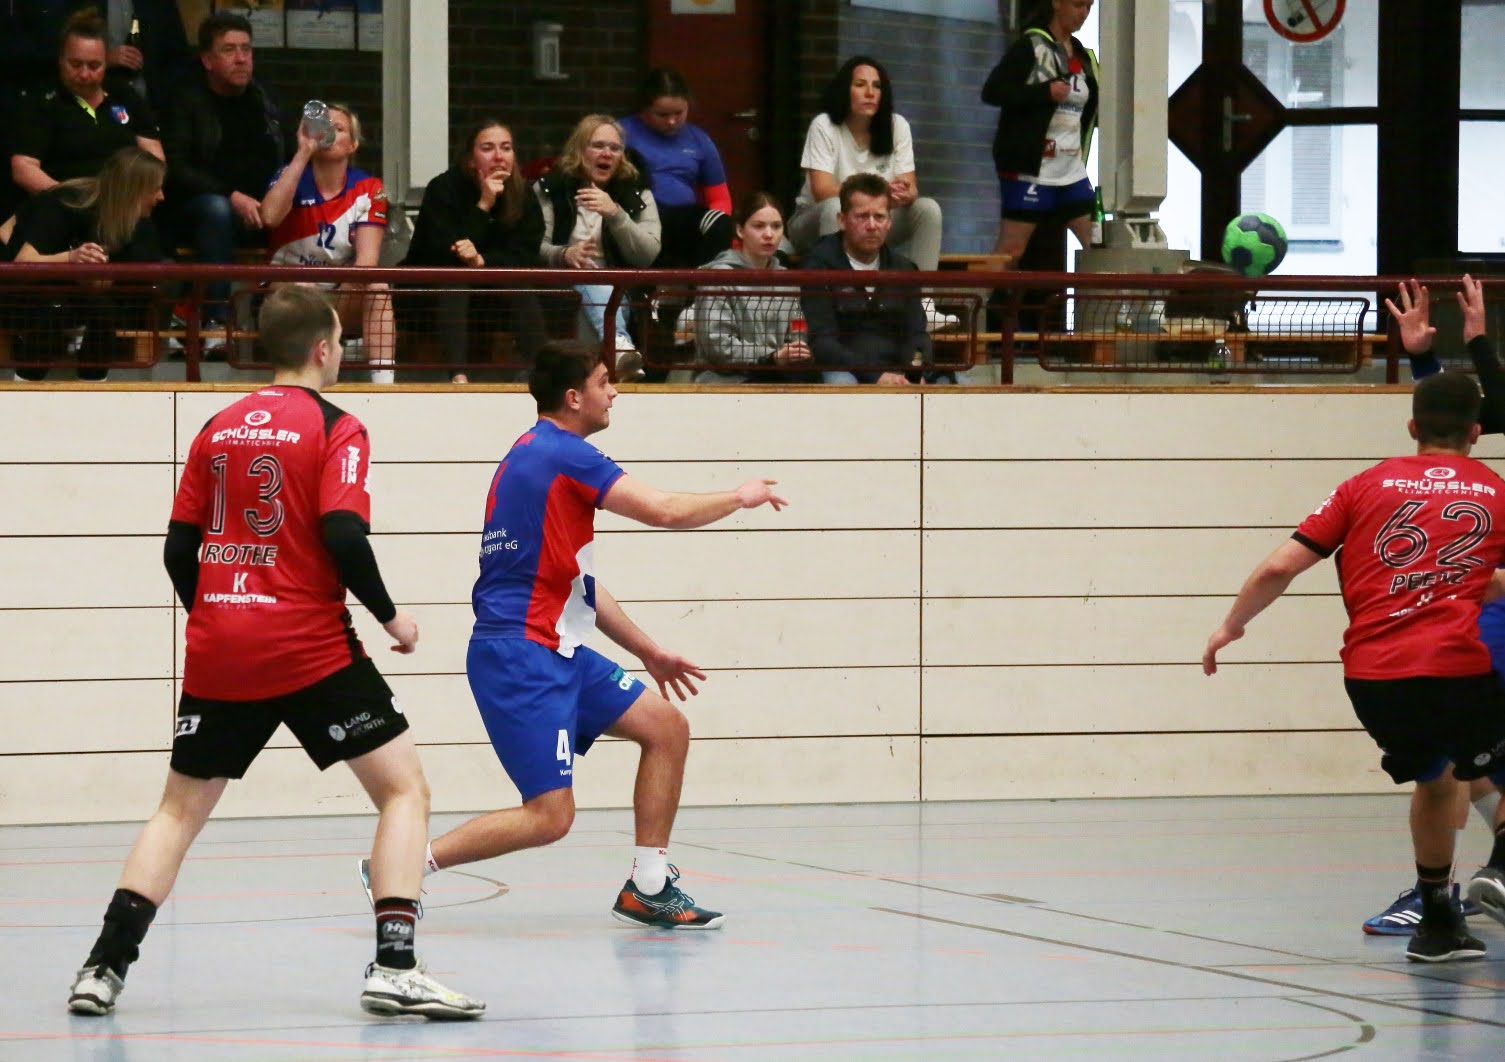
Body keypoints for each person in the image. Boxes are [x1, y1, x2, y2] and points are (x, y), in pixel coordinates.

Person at [65, 285, 484, 1020]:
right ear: (323, 348)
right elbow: (343, 533)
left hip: (221, 647)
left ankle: (103, 968)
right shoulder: (337, 427)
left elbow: (178, 550)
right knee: (403, 791)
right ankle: (395, 966)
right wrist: (392, 617)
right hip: (309, 647)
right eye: (341, 343)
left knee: (177, 812)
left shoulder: (217, 426)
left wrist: (219, 614)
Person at [358, 339, 786, 930]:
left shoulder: (529, 456)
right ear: (573, 397)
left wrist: (648, 651)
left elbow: (576, 582)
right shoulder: (563, 454)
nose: (615, 393)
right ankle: (398, 867)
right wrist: (740, 496)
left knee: (666, 728)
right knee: (550, 816)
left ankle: (648, 886)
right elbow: (663, 510)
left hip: (553, 648)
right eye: (605, 382)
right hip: (522, 655)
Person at [1202, 369, 1505, 963]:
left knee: (1435, 778)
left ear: (1412, 427)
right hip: (1455, 667)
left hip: (1373, 677)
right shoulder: (1494, 491)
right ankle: (1499, 870)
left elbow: (1278, 568)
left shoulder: (1362, 486)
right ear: (1476, 432)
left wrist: (1231, 626)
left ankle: (1437, 924)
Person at [1362, 276, 1505, 935]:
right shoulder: (1465, 456)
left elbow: (1477, 418)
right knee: (1462, 762)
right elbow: (1463, 423)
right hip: (1478, 604)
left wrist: (1473, 344)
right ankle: (1451, 888)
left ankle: (1445, 891)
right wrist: (1430, 358)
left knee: (1454, 762)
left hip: (1482, 610)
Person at [161, 11, 286, 330]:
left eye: (246, 49)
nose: (241, 59)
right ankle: (214, 321)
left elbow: (287, 152)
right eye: (229, 50)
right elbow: (176, 167)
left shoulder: (264, 96)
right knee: (216, 209)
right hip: (199, 209)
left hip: (260, 208)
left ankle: (282, 318)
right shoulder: (186, 98)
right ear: (207, 60)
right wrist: (231, 196)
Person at [402, 118, 546, 383]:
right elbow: (441, 252)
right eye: (488, 148)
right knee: (455, 279)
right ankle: (458, 377)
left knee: (521, 284)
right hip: (432, 287)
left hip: (494, 287)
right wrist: (484, 205)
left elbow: (525, 254)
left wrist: (482, 261)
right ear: (470, 159)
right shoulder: (444, 188)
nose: (499, 156)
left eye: (506, 148)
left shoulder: (523, 193)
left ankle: (543, 375)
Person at [262, 102, 397, 385]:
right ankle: (333, 349)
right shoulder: (290, 174)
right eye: (322, 127)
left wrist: (330, 315)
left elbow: (367, 263)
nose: (329, 133)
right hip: (289, 293)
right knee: (304, 287)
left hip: (339, 294)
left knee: (377, 285)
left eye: (339, 128)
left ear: (353, 144)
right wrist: (303, 151)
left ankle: (384, 385)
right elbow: (270, 217)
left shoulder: (368, 187)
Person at [9, 144, 166, 382]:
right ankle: (24, 385)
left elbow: (115, 284)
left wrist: (93, 276)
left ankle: (93, 385)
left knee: (104, 311)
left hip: (85, 298)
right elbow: (22, 264)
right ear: (133, 189)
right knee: (55, 308)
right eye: (155, 189)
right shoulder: (66, 201)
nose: (161, 197)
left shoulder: (142, 227)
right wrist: (71, 259)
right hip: (32, 292)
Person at [534, 114, 661, 382]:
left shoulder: (637, 194)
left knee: (596, 297)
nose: (607, 154)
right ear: (580, 150)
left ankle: (590, 379)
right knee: (590, 283)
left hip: (620, 289)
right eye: (598, 146)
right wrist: (564, 253)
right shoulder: (550, 189)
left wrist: (616, 214)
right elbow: (533, 246)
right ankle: (615, 358)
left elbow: (648, 254)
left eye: (615, 148)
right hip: (561, 286)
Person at [786, 55, 942, 273]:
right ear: (844, 90)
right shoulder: (824, 125)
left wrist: (905, 193)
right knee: (834, 206)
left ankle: (922, 293)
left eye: (877, 86)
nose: (870, 93)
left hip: (873, 220)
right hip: (814, 220)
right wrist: (881, 192)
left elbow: (910, 186)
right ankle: (838, 291)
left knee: (928, 209)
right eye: (860, 85)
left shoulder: (897, 126)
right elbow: (822, 191)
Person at [981, 0, 1100, 262]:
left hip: (1071, 170)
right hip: (1031, 170)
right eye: (1078, 5)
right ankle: (971, 291)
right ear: (1057, 3)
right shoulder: (1031, 45)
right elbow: (992, 91)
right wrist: (1044, 92)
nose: (1084, 13)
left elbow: (1094, 108)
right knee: (1011, 251)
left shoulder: (1084, 56)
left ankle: (1100, 291)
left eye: (1089, 7)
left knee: (1097, 243)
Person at [10, 9, 164, 197]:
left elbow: (154, 157)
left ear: (106, 63)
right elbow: (23, 168)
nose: (84, 74)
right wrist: (76, 199)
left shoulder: (124, 94)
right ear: (60, 60)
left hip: (123, 202)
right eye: (75, 65)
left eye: (94, 66)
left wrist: (133, 196)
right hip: (65, 202)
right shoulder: (42, 101)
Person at [800, 172, 934, 386]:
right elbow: (822, 343)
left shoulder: (904, 269)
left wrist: (916, 371)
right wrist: (875, 376)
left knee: (957, 381)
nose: (872, 225)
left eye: (879, 217)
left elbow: (917, 335)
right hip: (843, 370)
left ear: (889, 222)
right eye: (862, 216)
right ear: (842, 221)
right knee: (842, 383)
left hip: (897, 371)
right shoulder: (818, 265)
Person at [692, 190, 815, 383]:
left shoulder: (787, 280)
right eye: (759, 226)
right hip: (724, 379)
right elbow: (717, 345)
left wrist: (797, 348)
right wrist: (771, 357)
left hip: (776, 373)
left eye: (776, 226)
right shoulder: (717, 277)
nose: (769, 234)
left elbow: (798, 326)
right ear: (740, 230)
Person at [618, 67, 734, 269]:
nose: (672, 121)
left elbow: (720, 198)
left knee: (721, 222)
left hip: (683, 219)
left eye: (679, 113)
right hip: (640, 216)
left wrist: (715, 228)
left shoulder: (699, 140)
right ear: (644, 111)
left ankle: (704, 284)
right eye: (662, 115)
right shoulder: (620, 133)